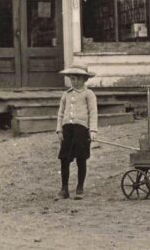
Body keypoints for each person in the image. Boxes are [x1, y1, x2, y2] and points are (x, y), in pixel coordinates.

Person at [56, 65, 98, 200]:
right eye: (71, 79)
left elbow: (93, 113)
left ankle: (80, 187)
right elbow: (61, 113)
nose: (73, 82)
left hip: (81, 130)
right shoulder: (66, 94)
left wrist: (92, 130)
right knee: (64, 159)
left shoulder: (89, 94)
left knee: (81, 158)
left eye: (76, 79)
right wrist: (59, 129)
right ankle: (64, 189)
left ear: (84, 79)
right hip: (67, 129)